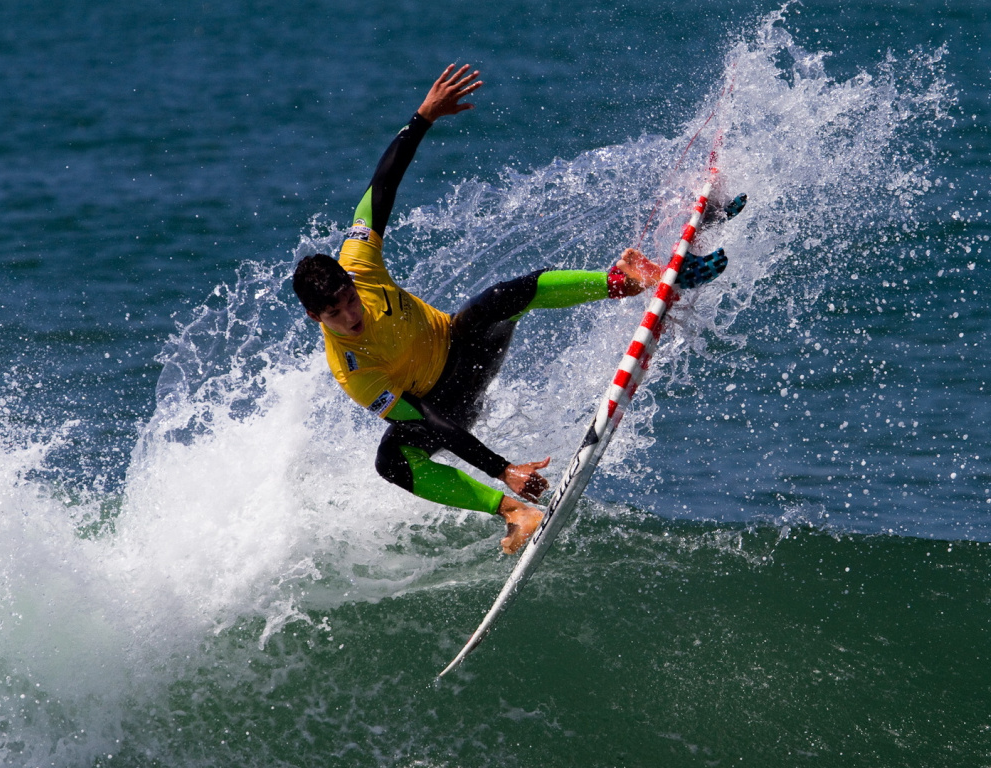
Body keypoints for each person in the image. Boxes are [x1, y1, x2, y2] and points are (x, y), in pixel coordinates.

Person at [291, 65, 712, 554]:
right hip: (446, 404)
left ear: (349, 282)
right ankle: (513, 512)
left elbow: (381, 187)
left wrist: (423, 117)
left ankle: (625, 279)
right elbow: (425, 420)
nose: (350, 314)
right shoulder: (352, 370)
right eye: (335, 313)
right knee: (392, 463)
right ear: (315, 318)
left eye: (348, 299)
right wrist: (501, 469)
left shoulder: (358, 262)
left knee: (495, 300)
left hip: (464, 344)